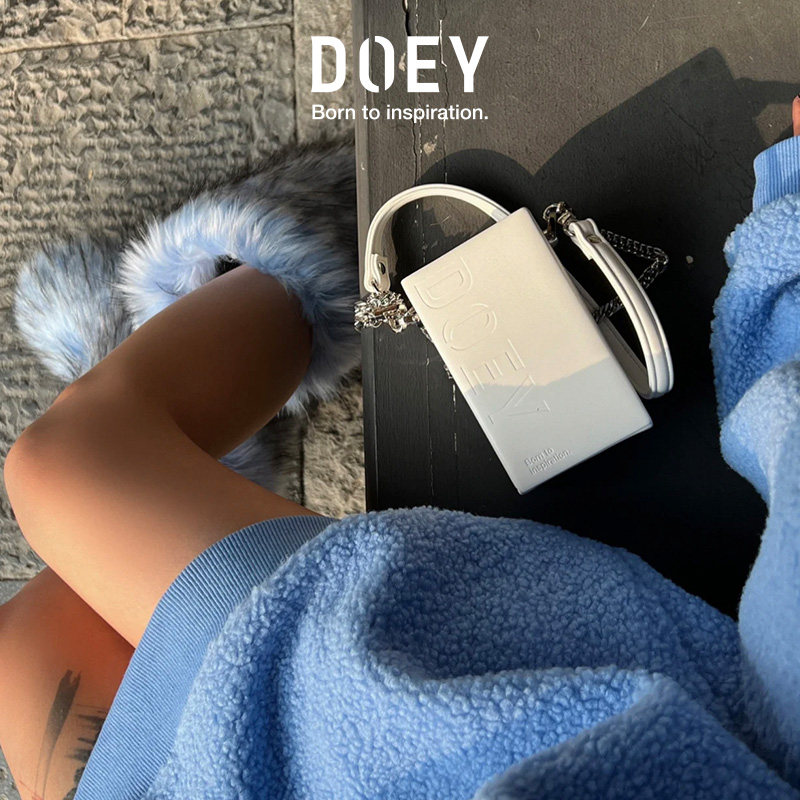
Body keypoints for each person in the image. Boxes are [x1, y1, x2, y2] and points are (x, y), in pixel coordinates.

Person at [1, 104, 800, 800]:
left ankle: (207, 375)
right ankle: (237, 339)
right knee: (66, 465)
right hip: (371, 714)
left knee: (26, 642)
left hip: (280, 752)